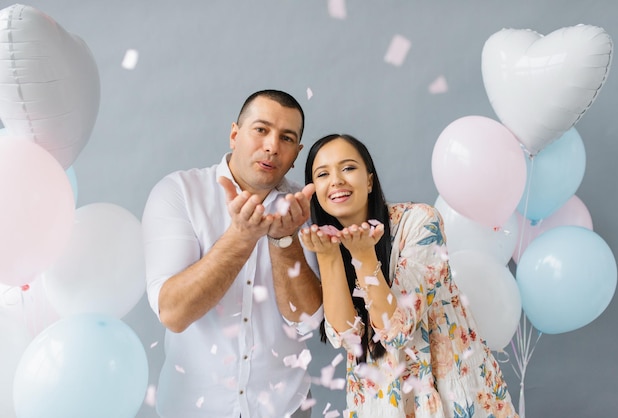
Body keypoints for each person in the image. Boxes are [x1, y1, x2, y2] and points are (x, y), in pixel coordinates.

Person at [300, 134, 518, 418]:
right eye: (323, 174)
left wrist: (364, 256)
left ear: (369, 180)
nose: (336, 180)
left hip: (449, 389)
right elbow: (349, 337)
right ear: (314, 189)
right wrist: (329, 258)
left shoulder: (419, 221)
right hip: (382, 399)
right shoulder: (327, 242)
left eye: (348, 168)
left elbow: (399, 330)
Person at [142, 90, 323, 418]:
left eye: (286, 138)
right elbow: (173, 312)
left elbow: (309, 322)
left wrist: (284, 240)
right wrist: (241, 238)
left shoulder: (305, 207)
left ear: (296, 154)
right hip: (193, 409)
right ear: (234, 134)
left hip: (286, 407)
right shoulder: (178, 193)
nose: (271, 146)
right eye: (261, 130)